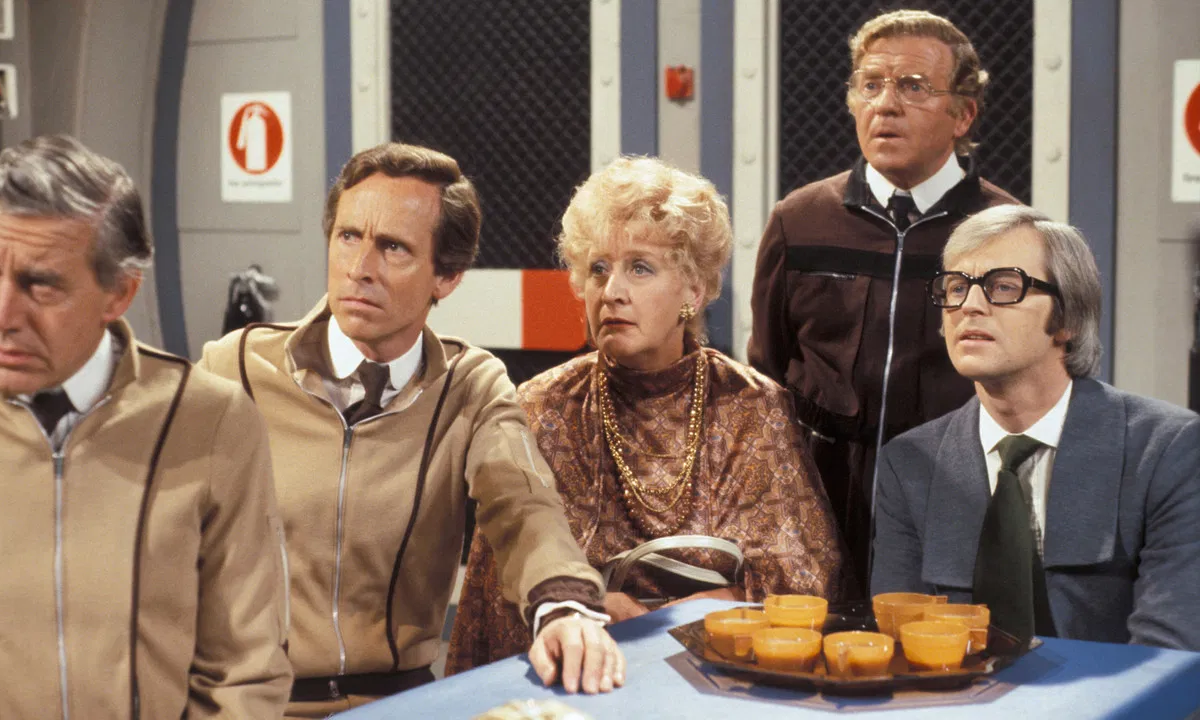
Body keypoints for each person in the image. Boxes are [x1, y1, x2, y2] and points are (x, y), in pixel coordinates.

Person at [199, 142, 624, 717]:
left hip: (398, 703)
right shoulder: (236, 367)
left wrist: (564, 605)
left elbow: (524, 505)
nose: (360, 268)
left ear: (446, 277)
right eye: (348, 236)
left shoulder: (470, 384)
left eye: (392, 247)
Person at [0, 135, 292, 718]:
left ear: (119, 293)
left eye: (41, 284)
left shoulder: (210, 421)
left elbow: (246, 667)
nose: (1, 316)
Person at [446, 156, 847, 674]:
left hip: (725, 674)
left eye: (640, 267)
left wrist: (670, 620)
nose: (612, 291)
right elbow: (494, 598)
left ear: (693, 290)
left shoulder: (751, 406)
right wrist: (582, 605)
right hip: (578, 674)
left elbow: (803, 581)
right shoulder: (544, 407)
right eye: (598, 269)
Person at [747, 9, 1019, 592]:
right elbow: (767, 374)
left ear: (963, 114)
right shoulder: (800, 220)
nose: (886, 105)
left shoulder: (1007, 232)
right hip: (818, 500)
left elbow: (1025, 381)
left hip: (950, 500)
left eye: (913, 87)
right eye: (871, 85)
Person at [871, 205, 1200, 649]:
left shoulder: (1167, 449)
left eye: (1003, 286)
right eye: (956, 288)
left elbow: (1169, 652)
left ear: (1067, 318)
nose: (969, 306)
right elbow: (900, 643)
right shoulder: (910, 463)